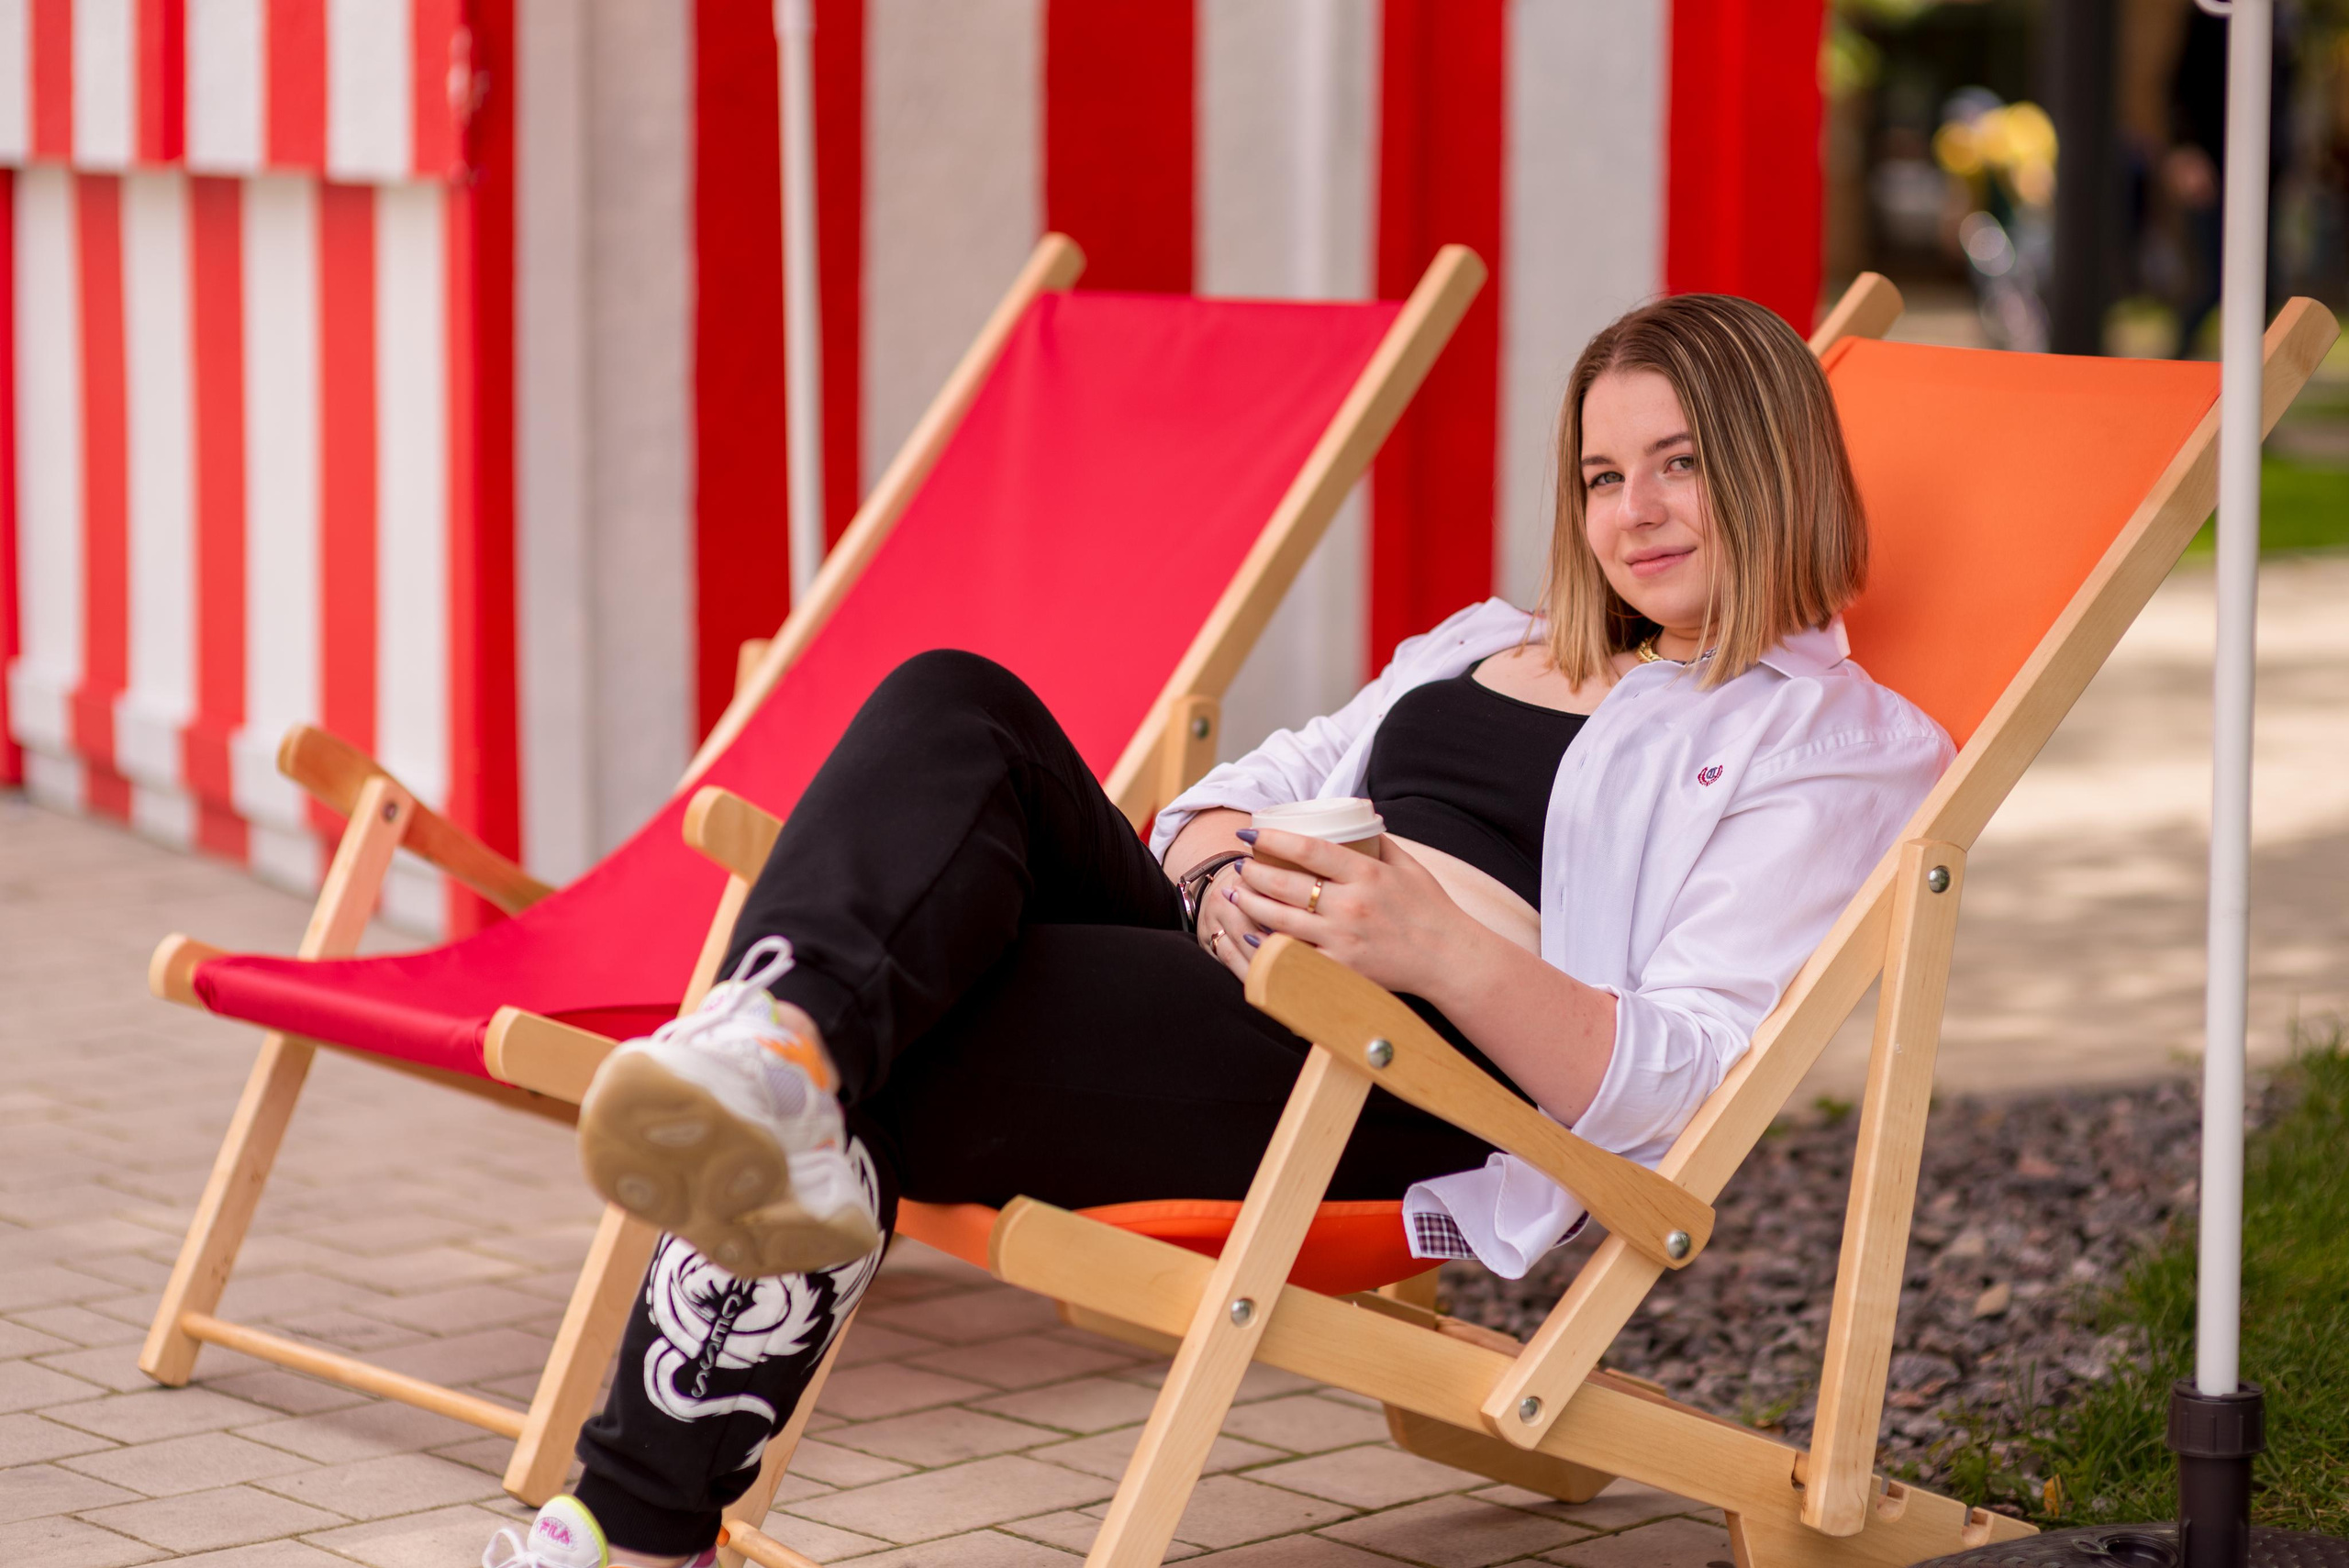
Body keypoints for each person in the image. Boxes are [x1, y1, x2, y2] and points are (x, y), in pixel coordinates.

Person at [482, 294, 1953, 1568]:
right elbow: (1230, 794)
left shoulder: (1829, 740)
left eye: (1681, 466)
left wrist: (1431, 942)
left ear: (1771, 467)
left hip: (1401, 1064)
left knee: (908, 1054)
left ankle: (634, 1512)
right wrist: (1207, 869)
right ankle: (778, 1043)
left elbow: (1680, 1080)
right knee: (957, 701)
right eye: (1604, 473)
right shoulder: (1483, 642)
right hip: (1235, 957)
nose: (1634, 512)